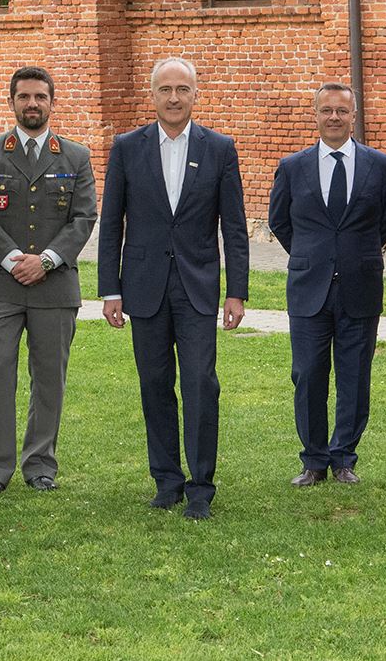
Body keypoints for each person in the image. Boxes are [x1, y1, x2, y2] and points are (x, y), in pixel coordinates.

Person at [98, 57, 249, 520]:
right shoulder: (126, 147)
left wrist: (236, 291)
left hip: (198, 287)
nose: (174, 97)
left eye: (183, 89)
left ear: (195, 94)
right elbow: (111, 224)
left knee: (202, 384)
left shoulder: (220, 148)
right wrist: (110, 289)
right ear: (153, 94)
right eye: (165, 89)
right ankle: (166, 481)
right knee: (155, 384)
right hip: (143, 287)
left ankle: (201, 485)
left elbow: (235, 227)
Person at [0, 66, 96, 494]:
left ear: (52, 102)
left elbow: (83, 218)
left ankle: (40, 465)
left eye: (40, 97)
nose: (32, 104)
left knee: (49, 379)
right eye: (24, 97)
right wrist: (15, 259)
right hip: (0, 285)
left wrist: (48, 261)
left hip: (55, 288)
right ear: (12, 101)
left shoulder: (75, 156)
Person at [268, 83, 386, 486]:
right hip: (309, 287)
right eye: (326, 110)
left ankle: (344, 457)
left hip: (360, 286)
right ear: (316, 115)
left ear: (354, 116)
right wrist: (313, 255)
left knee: (355, 375)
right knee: (307, 374)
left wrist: (353, 254)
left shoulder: (379, 165)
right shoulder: (293, 166)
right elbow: (279, 220)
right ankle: (313, 460)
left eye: (342, 111)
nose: (334, 118)